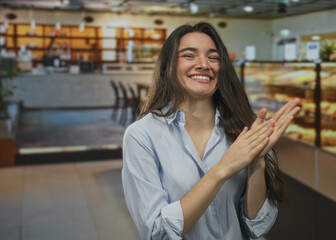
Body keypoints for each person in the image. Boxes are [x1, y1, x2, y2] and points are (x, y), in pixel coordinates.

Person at [122, 22, 301, 240]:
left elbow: (257, 226)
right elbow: (157, 232)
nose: (204, 64)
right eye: (189, 55)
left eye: (213, 57)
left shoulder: (245, 128)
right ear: (169, 65)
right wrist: (222, 168)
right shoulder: (141, 136)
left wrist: (258, 161)